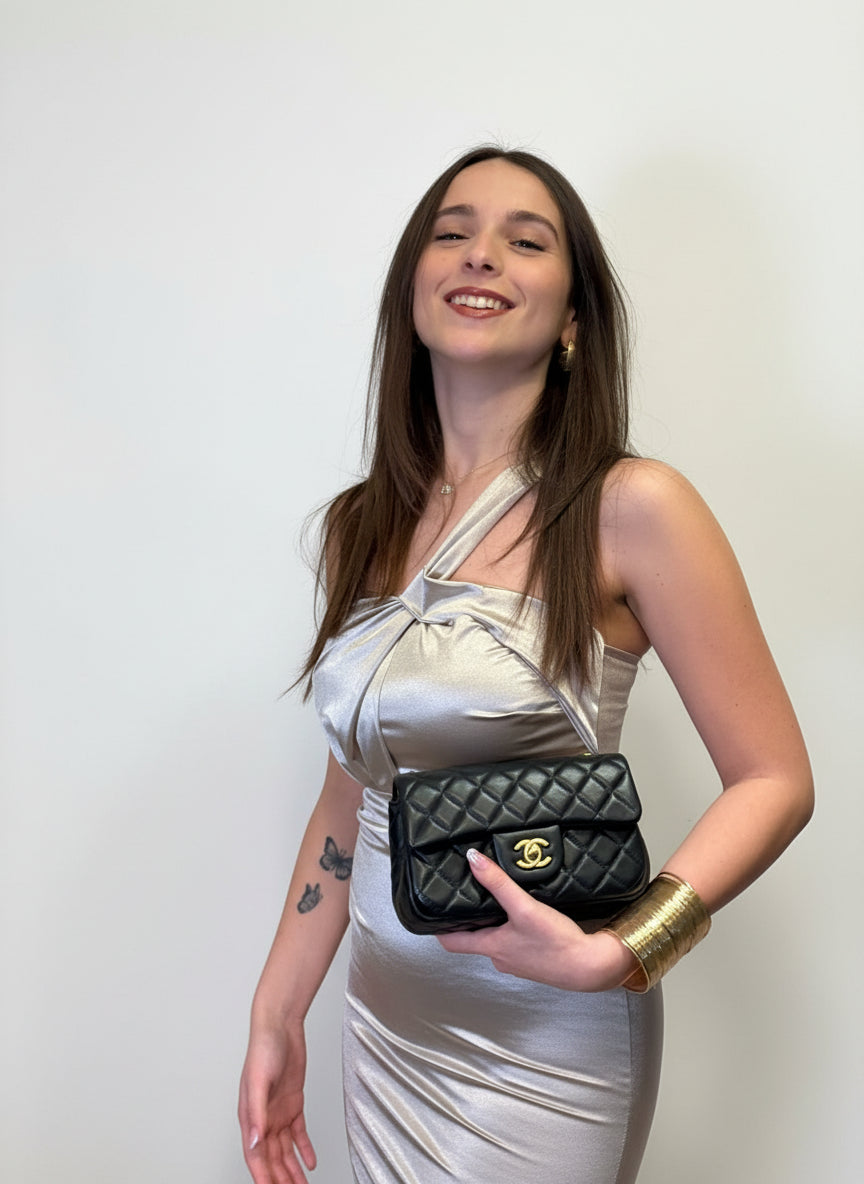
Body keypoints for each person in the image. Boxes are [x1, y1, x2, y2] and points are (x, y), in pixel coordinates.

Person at [238, 146, 813, 1184]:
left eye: (526, 240)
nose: (482, 254)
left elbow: (774, 779)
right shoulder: (359, 525)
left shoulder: (632, 507)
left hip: (551, 1034)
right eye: (452, 232)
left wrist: (628, 947)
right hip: (388, 1020)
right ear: (412, 288)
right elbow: (349, 797)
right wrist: (278, 1008)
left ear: (575, 317)